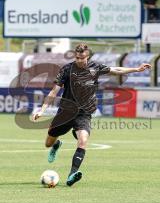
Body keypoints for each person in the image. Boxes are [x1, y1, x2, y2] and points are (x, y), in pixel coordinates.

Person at [33, 43, 151, 186]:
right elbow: (53, 92)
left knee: (83, 140)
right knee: (48, 143)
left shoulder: (95, 67)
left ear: (87, 56)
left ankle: (72, 174)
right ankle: (56, 144)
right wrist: (42, 110)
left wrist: (136, 69)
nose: (79, 60)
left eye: (82, 58)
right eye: (77, 57)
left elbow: (116, 69)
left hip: (84, 113)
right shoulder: (67, 69)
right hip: (65, 112)